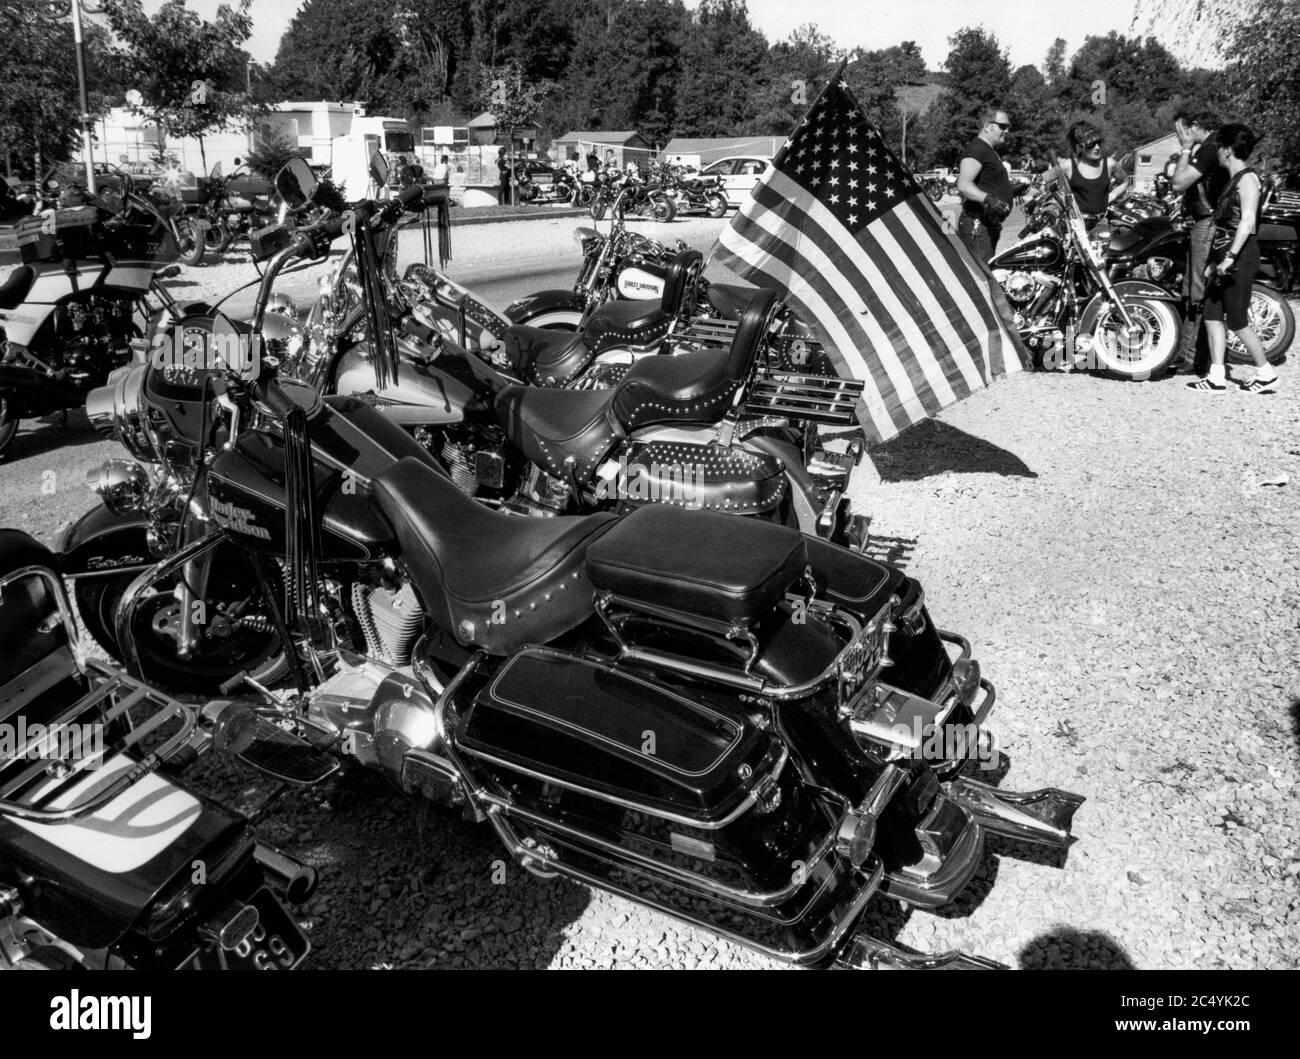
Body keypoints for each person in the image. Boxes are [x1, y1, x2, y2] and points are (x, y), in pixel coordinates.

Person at [1188, 124, 1278, 394]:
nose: (1216, 152)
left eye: (1219, 147)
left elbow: (1248, 220)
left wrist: (1229, 258)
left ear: (1227, 150)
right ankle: (1217, 376)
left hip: (1239, 255)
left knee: (1237, 319)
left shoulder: (1247, 179)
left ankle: (1266, 373)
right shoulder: (1233, 178)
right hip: (1223, 253)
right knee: (1212, 315)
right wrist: (1214, 261)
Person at [1169, 110, 1227, 372]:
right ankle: (1186, 351)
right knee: (1190, 290)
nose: (1179, 137)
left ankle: (1195, 356)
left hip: (1207, 223)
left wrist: (1184, 149)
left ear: (1194, 126)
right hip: (1202, 222)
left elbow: (1178, 183)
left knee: (1197, 290)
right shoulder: (1213, 146)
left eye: (1181, 131)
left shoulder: (1208, 148)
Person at [956, 107, 1015, 260]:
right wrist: (988, 199)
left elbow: (987, 183)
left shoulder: (988, 151)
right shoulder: (977, 149)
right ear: (988, 126)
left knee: (986, 274)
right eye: (1003, 126)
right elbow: (964, 185)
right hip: (978, 225)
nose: (1007, 130)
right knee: (982, 278)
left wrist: (1012, 190)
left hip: (986, 226)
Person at [1045, 120, 1128, 225]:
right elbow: (1038, 180)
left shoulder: (1109, 164)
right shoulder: (1068, 166)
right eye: (1091, 144)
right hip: (1076, 226)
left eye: (1099, 142)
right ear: (1079, 147)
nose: (1097, 147)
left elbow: (1125, 181)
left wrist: (1112, 196)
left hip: (1101, 224)